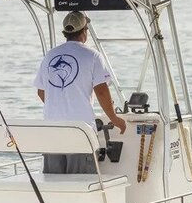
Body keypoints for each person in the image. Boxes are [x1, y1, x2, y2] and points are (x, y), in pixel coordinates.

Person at [33, 11, 126, 174]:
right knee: (81, 180)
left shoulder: (50, 55)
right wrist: (114, 118)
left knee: (55, 183)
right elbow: (102, 92)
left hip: (52, 130)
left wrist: (61, 106)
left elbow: (41, 92)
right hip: (80, 131)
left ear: (66, 33)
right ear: (84, 31)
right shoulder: (93, 56)